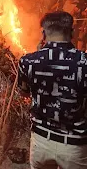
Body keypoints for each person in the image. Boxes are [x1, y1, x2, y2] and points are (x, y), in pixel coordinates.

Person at [18, 11, 87, 169]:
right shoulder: (83, 62)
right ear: (72, 32)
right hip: (74, 146)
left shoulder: (28, 61)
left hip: (40, 142)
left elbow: (24, 92)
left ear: (43, 33)